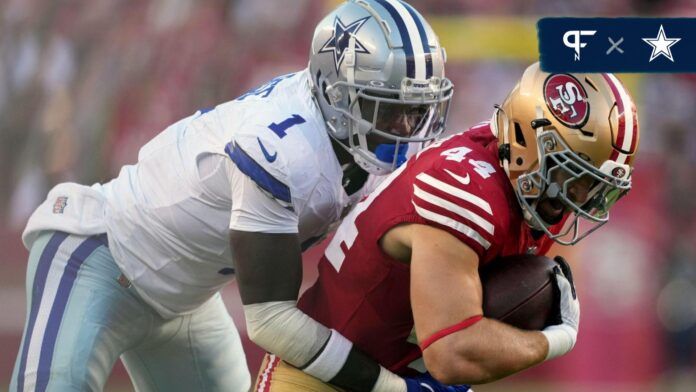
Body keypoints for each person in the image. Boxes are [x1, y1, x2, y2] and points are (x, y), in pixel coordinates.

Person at [10, 1, 454, 391]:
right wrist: (392, 387)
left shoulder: (347, 134)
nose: (404, 129)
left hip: (188, 299)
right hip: (99, 254)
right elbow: (273, 322)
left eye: (416, 111)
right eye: (388, 109)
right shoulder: (284, 149)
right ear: (336, 95)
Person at [255, 63, 640, 389]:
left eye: (596, 187)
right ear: (528, 140)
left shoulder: (521, 179)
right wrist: (555, 340)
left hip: (397, 375)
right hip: (323, 377)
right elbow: (452, 352)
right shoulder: (465, 191)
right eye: (575, 177)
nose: (581, 198)